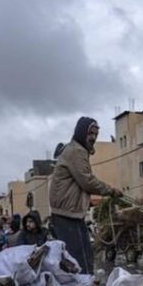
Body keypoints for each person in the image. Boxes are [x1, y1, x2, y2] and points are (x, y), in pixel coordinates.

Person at [48, 116, 122, 274]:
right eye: (91, 133)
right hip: (67, 215)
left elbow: (80, 186)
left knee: (85, 256)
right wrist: (111, 190)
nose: (93, 138)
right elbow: (87, 181)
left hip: (71, 214)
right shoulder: (76, 151)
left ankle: (85, 284)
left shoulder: (77, 150)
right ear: (81, 132)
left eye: (95, 134)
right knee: (80, 260)